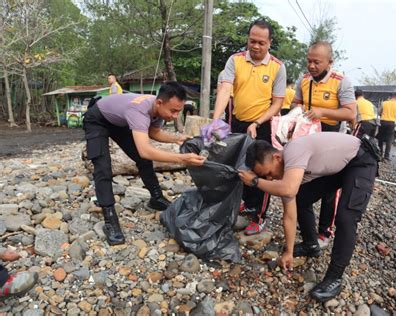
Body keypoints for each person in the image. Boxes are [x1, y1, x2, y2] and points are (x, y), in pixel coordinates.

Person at [238, 133, 378, 303]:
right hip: (339, 167)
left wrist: (255, 182)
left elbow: (287, 189)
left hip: (361, 160)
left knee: (346, 218)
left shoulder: (294, 151)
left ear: (276, 157)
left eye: (268, 173)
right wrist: (288, 252)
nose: (270, 179)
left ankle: (335, 277)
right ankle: (310, 244)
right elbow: (289, 214)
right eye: (263, 177)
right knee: (301, 199)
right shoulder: (287, 174)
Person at [83, 81, 205, 246]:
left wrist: (177, 138)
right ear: (159, 102)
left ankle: (156, 198)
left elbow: (154, 132)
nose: (175, 116)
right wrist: (183, 158)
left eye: (179, 111)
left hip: (119, 122)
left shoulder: (158, 110)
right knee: (103, 167)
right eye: (173, 111)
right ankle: (110, 218)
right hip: (97, 119)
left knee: (144, 161)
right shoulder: (139, 110)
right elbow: (145, 150)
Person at [212, 19, 287, 235]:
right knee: (239, 166)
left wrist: (257, 122)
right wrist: (216, 119)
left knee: (263, 171)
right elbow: (225, 90)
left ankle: (259, 216)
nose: (255, 46)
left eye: (261, 43)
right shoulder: (235, 60)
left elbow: (277, 103)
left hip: (262, 125)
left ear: (269, 43)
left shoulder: (277, 67)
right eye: (252, 41)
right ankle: (247, 202)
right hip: (236, 122)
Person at [292, 41, 357, 249]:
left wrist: (323, 112)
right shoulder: (303, 80)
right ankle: (307, 229)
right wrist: (298, 109)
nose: (311, 66)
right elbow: (295, 102)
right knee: (304, 182)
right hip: (308, 137)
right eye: (309, 61)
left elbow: (350, 113)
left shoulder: (341, 82)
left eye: (317, 62)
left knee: (330, 189)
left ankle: (324, 232)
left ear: (330, 62)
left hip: (333, 141)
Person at [377, 94, 396, 160]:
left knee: (381, 138)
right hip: (391, 123)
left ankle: (380, 154)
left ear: (389, 97)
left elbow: (379, 112)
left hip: (383, 122)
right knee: (389, 140)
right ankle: (386, 156)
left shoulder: (384, 103)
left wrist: (382, 113)